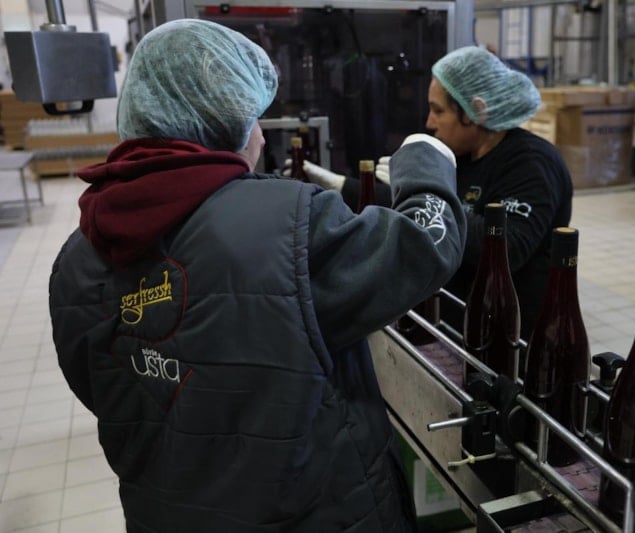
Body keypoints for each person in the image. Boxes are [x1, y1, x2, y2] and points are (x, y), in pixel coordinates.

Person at [48, 19, 466, 533]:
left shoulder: (76, 257)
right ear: (221, 124)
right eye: (253, 119)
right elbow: (423, 249)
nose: (263, 135)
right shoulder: (289, 227)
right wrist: (425, 161)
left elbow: (106, 389)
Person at [295, 45, 573, 340]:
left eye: (438, 111)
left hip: (509, 334)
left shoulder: (532, 163)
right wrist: (342, 186)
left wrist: (428, 192)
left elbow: (508, 247)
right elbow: (430, 209)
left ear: (477, 111)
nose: (429, 122)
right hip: (459, 323)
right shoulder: (463, 155)